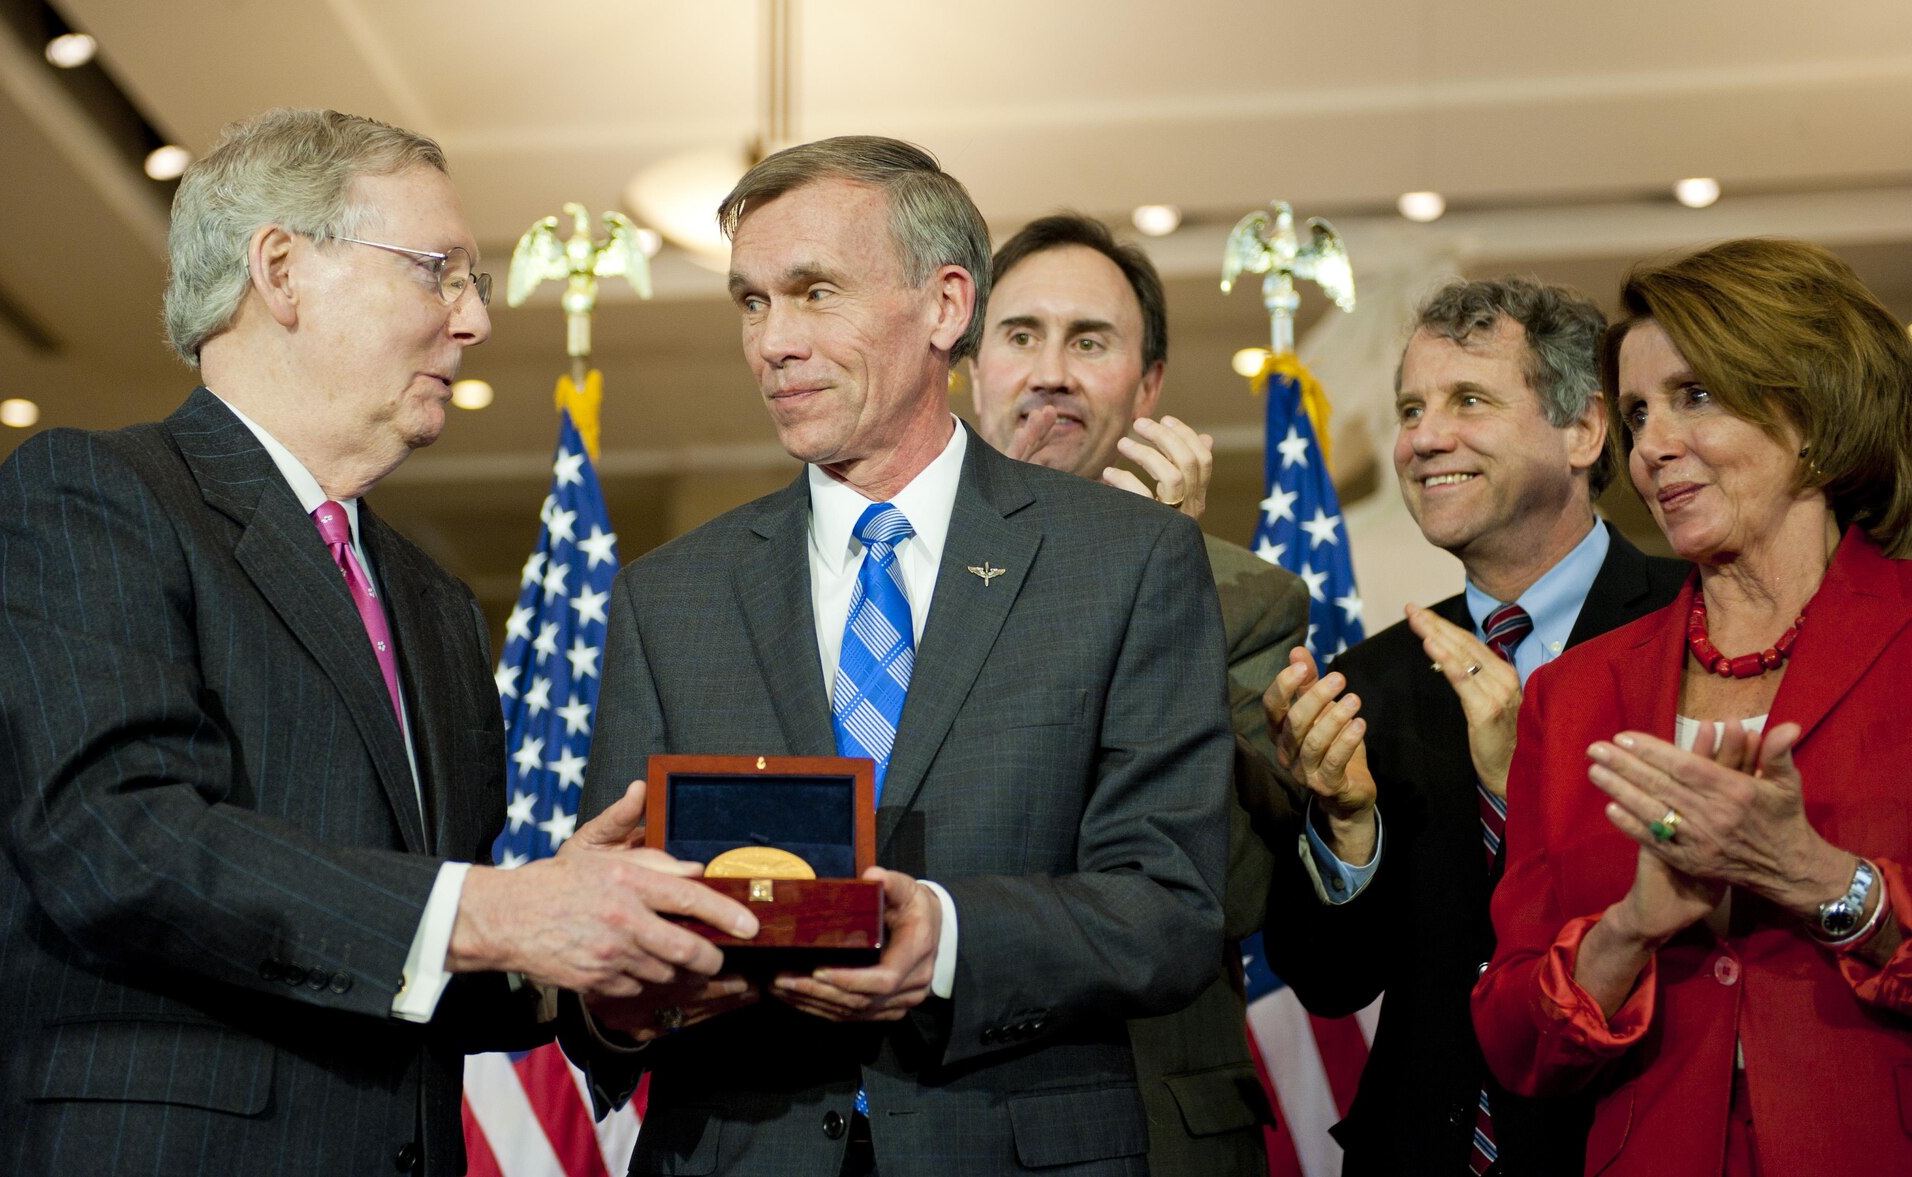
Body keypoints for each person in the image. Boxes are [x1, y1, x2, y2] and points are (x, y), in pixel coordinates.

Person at [0, 108, 754, 1177]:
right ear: (281, 269)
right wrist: (492, 907)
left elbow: (395, 943)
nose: (473, 321)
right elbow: (113, 840)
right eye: (437, 270)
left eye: (474, 282)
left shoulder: (433, 600)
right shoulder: (89, 498)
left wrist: (580, 969)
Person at [567, 137, 1231, 1177]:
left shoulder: (1127, 561)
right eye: (751, 302)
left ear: (945, 306)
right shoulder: (667, 596)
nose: (772, 342)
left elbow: (1171, 906)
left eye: (813, 291)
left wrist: (948, 937)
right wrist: (619, 993)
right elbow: (608, 958)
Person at [1470, 238, 1912, 1175]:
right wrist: (1629, 928)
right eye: (1635, 414)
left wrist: (1831, 885)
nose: (1651, 448)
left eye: (1694, 396)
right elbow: (1513, 1033)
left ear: (1812, 407)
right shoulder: (1572, 693)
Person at [1260, 278, 1687, 1174]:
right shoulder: (1366, 681)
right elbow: (1330, 984)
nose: (1422, 438)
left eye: (1469, 400)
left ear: (1584, 430)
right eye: (1411, 407)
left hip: (1627, 1141)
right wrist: (1346, 828)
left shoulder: (1692, 632)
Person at [967, 212, 1307, 1175]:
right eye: (1021, 335)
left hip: (1153, 1122)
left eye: (1090, 341)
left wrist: (1161, 600)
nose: (1051, 372)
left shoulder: (1243, 598)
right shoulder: (889, 581)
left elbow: (1232, 894)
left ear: (1148, 383)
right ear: (969, 362)